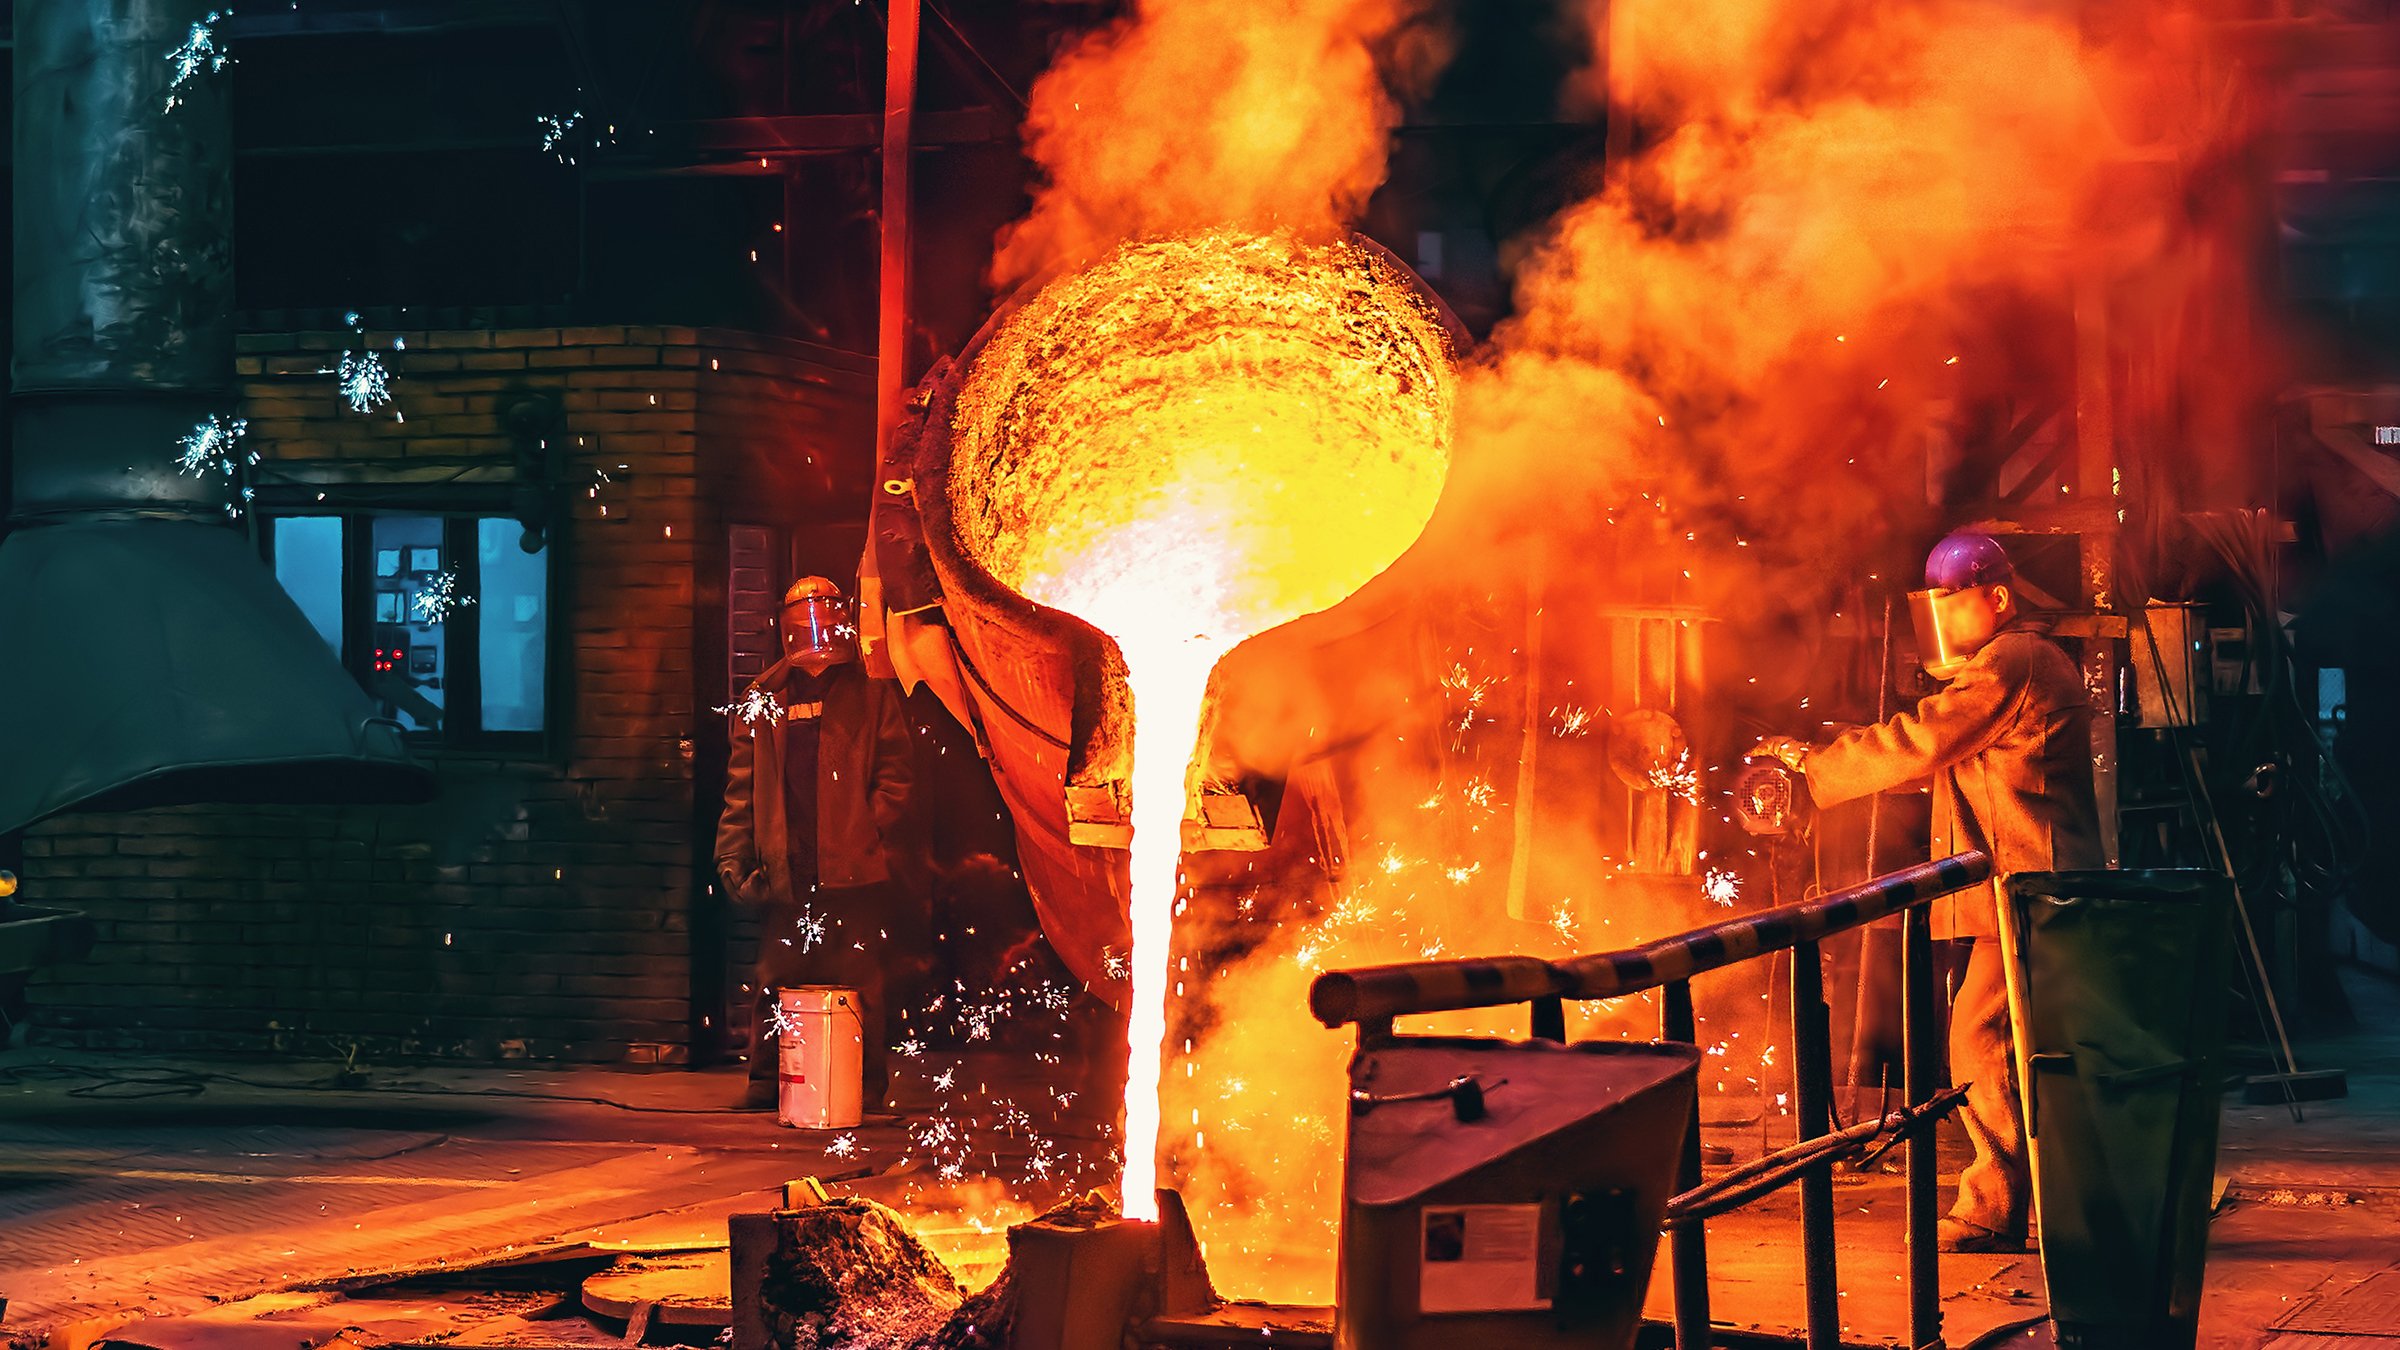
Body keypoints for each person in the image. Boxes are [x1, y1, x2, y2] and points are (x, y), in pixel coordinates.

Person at [1752, 531, 2104, 1252]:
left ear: (1997, 598)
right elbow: (1937, 757)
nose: (1942, 624)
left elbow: (1922, 741)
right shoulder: (2006, 669)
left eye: (1954, 604)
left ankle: (1994, 1208)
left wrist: (1818, 768)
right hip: (2027, 884)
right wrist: (1832, 748)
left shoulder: (2015, 660)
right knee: (2026, 1046)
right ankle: (2071, 1204)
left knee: (1981, 1036)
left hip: (2032, 884)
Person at [717, 576, 917, 1111]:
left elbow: (896, 777)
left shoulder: (872, 690)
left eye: (822, 620)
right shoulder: (763, 696)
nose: (813, 632)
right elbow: (742, 788)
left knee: (858, 984)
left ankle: (863, 1088)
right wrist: (734, 853)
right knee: (776, 980)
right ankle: (768, 1084)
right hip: (788, 866)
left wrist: (864, 834)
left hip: (852, 871)